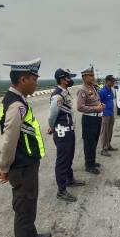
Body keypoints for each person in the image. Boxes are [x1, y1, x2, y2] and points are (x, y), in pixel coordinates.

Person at [0, 58, 52, 237]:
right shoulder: (16, 105)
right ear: (22, 79)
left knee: (29, 205)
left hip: (26, 163)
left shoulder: (16, 100)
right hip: (22, 166)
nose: (36, 82)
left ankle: (32, 236)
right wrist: (4, 168)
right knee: (24, 210)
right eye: (33, 78)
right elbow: (9, 139)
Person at [48, 68, 86, 203]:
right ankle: (61, 190)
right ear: (62, 79)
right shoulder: (58, 95)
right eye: (69, 77)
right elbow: (52, 116)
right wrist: (52, 128)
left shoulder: (65, 92)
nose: (71, 80)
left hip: (68, 130)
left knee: (69, 157)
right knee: (62, 160)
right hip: (62, 132)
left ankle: (70, 180)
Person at [77, 66, 105, 174]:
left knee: (94, 141)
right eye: (91, 75)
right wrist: (95, 108)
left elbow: (95, 101)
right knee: (89, 143)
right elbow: (80, 107)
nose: (93, 77)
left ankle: (92, 161)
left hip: (97, 118)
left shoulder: (93, 88)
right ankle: (89, 165)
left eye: (93, 75)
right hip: (89, 119)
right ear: (84, 77)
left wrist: (100, 105)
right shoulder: (82, 90)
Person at [99, 75, 118, 156]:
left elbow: (111, 100)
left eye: (114, 81)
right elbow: (98, 103)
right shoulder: (102, 91)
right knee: (104, 132)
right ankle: (103, 149)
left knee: (110, 131)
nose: (114, 83)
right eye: (112, 81)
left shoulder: (111, 90)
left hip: (111, 113)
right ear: (107, 81)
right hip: (105, 114)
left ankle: (108, 145)